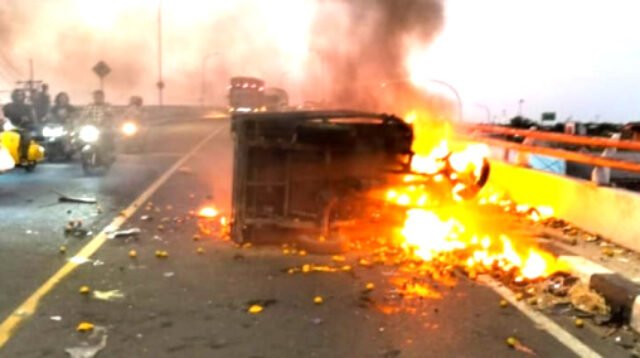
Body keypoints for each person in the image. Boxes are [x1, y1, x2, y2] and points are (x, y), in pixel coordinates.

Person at [2, 89, 37, 160]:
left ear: (24, 97)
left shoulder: (28, 107)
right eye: (17, 95)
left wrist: (28, 119)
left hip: (23, 127)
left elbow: (34, 120)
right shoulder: (7, 107)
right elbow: (2, 116)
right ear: (13, 96)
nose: (18, 97)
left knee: (26, 137)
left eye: (20, 95)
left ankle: (23, 156)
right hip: (8, 127)